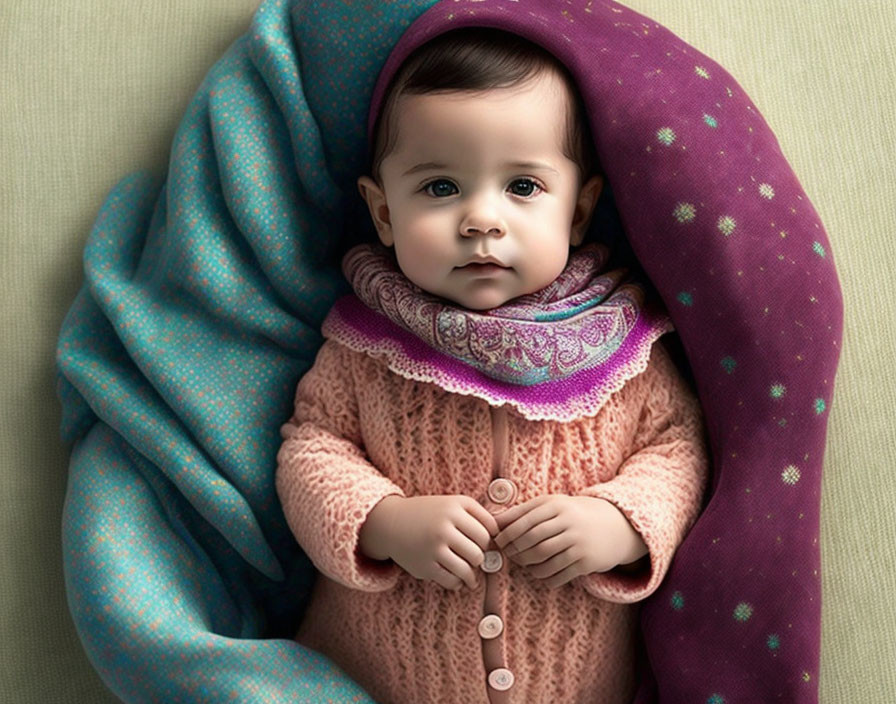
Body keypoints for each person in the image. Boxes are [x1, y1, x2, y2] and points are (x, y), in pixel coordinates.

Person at [276, 27, 709, 704]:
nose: (482, 218)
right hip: (376, 678)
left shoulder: (623, 346)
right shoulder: (365, 344)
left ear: (580, 210)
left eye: (524, 185)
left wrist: (623, 524)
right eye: (441, 186)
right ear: (384, 214)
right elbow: (310, 450)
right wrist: (385, 522)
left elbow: (678, 448)